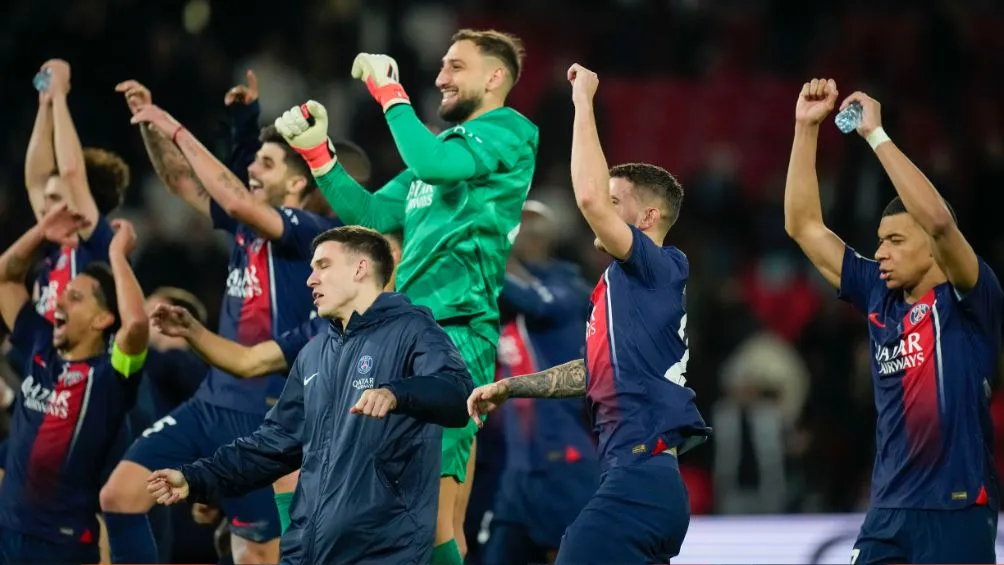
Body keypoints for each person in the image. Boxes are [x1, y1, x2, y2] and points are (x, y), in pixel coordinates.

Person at [274, 29, 538, 564]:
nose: (440, 77)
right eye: (441, 65)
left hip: (456, 338)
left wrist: (390, 95)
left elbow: (433, 168)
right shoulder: (438, 152)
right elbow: (371, 216)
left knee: (435, 520)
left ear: (494, 77)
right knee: (329, 481)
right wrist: (317, 153)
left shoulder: (510, 130)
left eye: (455, 67)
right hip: (404, 336)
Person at [466, 64, 711, 565]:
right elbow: (591, 372)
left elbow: (588, 196)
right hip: (639, 477)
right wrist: (512, 387)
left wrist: (582, 99)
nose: (600, 208)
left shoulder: (657, 265)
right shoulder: (623, 287)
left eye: (616, 200)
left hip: (639, 480)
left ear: (647, 219)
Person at [98, 77, 339, 565]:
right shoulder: (246, 226)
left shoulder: (312, 235)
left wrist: (176, 127)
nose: (251, 168)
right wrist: (151, 125)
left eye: (265, 164)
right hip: (209, 404)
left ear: (296, 183)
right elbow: (182, 181)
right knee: (119, 496)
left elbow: (234, 198)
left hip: (263, 419)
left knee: (257, 558)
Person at [146, 226, 475, 565]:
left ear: (360, 269)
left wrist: (397, 393)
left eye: (323, 266)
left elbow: (457, 391)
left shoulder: (413, 330)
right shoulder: (314, 353)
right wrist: (195, 477)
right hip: (306, 553)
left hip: (381, 553)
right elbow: (272, 445)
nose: (310, 280)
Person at [783, 78, 1001, 565]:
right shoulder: (878, 294)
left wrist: (875, 136)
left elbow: (941, 222)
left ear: (931, 249)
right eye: (879, 241)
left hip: (956, 509)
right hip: (887, 512)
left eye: (896, 241)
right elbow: (803, 226)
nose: (880, 252)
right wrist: (805, 129)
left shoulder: (970, 297)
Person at [0, 208, 149, 565]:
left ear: (102, 319)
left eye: (76, 297)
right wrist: (40, 231)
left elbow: (137, 326)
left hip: (62, 544)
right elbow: (6, 278)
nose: (59, 301)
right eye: (63, 293)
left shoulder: (112, 377)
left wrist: (116, 256)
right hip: (7, 533)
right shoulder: (40, 343)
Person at [481, 201, 599, 565]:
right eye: (520, 223)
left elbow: (536, 302)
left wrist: (484, 245)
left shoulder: (569, 285)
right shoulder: (496, 297)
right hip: (515, 466)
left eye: (537, 224)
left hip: (562, 455)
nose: (527, 231)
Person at [24, 59, 130, 324]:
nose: (45, 206)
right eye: (47, 198)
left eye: (56, 198)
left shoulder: (98, 246)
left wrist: (60, 96)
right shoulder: (51, 253)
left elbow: (72, 175)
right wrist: (45, 105)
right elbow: (36, 179)